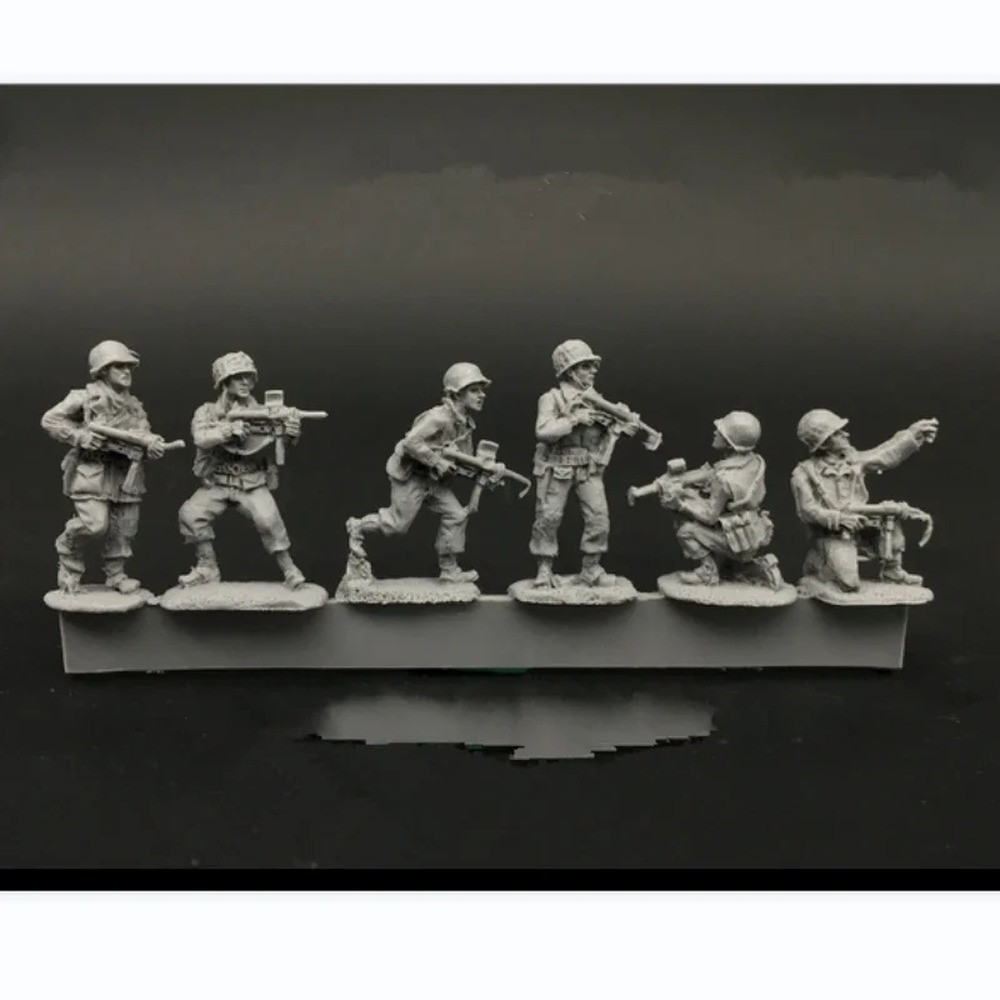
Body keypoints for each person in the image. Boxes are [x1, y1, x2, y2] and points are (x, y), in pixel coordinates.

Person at [345, 362, 492, 583]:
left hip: (434, 481)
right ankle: (357, 527)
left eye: (481, 390)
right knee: (396, 525)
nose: (482, 395)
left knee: (456, 515)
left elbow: (463, 462)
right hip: (411, 478)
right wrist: (436, 461)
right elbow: (410, 443)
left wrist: (483, 471)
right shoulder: (438, 418)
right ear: (456, 394)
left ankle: (449, 570)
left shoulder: (465, 425)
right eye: (474, 390)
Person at [42, 340, 166, 594]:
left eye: (128, 366)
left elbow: (142, 433)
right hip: (93, 472)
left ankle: (116, 575)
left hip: (125, 474)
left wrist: (151, 445)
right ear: (103, 370)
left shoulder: (133, 405)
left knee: (125, 528)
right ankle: (69, 562)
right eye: (118, 366)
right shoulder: (84, 397)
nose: (126, 371)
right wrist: (81, 436)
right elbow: (50, 420)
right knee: (95, 524)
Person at [177, 351, 306, 589]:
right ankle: (207, 568)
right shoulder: (207, 412)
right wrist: (227, 430)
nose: (246, 382)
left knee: (269, 520)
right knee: (191, 515)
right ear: (224, 382)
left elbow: (273, 446)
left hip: (251, 480)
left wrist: (289, 433)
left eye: (249, 377)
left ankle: (289, 569)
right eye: (238, 377)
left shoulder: (264, 413)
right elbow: (201, 438)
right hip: (218, 481)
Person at [791, 408, 938, 591]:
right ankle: (818, 563)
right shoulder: (804, 472)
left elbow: (885, 454)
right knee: (850, 584)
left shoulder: (854, 460)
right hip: (834, 534)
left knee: (891, 522)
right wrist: (838, 519)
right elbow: (807, 509)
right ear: (824, 444)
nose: (845, 434)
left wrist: (912, 435)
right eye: (837, 433)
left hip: (863, 525)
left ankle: (892, 570)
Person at [529, 339, 619, 588]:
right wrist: (574, 419)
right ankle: (544, 569)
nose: (593, 371)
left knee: (599, 518)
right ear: (570, 371)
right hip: (557, 466)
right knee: (548, 518)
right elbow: (543, 431)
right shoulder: (552, 398)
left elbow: (603, 437)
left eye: (593, 366)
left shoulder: (597, 400)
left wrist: (616, 429)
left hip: (587, 469)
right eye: (585, 366)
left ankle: (591, 569)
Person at [664, 411, 783, 589]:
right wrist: (686, 480)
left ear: (730, 442)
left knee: (686, 531)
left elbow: (710, 517)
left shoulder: (724, 479)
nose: (715, 433)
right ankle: (747, 567)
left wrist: (680, 504)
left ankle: (708, 572)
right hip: (754, 527)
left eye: (720, 432)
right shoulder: (754, 460)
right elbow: (715, 472)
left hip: (737, 535)